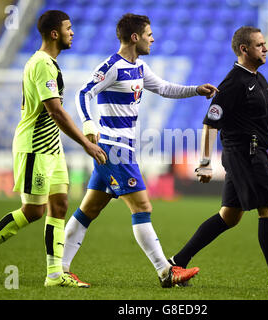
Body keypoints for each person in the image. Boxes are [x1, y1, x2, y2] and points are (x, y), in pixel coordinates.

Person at [62, 13, 218, 288]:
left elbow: (165, 88)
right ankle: (166, 271)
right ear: (135, 37)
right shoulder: (112, 66)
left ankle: (59, 269)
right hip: (114, 148)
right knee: (142, 207)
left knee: (89, 209)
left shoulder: (140, 67)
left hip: (119, 149)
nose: (152, 39)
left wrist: (196, 89)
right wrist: (88, 125)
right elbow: (83, 93)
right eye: (149, 34)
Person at [0, 10, 107, 288]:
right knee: (33, 211)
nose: (72, 32)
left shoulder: (49, 63)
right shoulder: (41, 64)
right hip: (34, 147)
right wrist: (86, 144)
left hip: (51, 147)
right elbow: (55, 111)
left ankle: (54, 275)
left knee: (60, 204)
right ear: (55, 34)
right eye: (68, 28)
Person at [168, 26, 268, 291]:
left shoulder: (258, 79)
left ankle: (177, 261)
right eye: (260, 45)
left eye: (265, 43)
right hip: (247, 153)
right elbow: (211, 123)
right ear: (244, 49)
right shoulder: (233, 83)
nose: (266, 48)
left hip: (248, 153)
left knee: (229, 216)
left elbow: (263, 119)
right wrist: (203, 163)